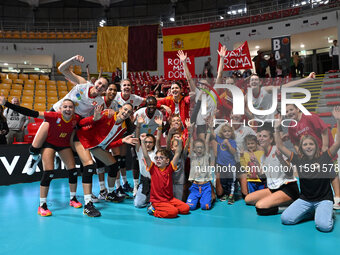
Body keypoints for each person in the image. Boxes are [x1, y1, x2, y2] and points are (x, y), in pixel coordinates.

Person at [27, 55, 108, 175]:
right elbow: (62, 69)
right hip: (56, 112)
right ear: (95, 81)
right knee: (35, 146)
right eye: (99, 83)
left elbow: (93, 120)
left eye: (103, 87)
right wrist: (73, 59)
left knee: (64, 143)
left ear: (104, 90)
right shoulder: (83, 84)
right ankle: (33, 158)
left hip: (72, 121)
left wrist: (95, 119)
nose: (100, 87)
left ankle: (56, 156)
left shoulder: (100, 102)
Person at [0, 97, 82, 216]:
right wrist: (7, 104)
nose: (68, 109)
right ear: (60, 109)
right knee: (49, 173)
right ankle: (42, 205)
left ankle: (73, 199)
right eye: (65, 107)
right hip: (49, 144)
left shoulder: (76, 119)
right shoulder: (54, 116)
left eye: (70, 107)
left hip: (63, 145)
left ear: (74, 109)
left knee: (73, 171)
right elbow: (30, 112)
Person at [275, 108, 340, 232]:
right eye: (305, 144)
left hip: (323, 199)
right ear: (301, 147)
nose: (308, 147)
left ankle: (326, 211)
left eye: (311, 144)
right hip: (306, 200)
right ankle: (313, 212)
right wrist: (277, 128)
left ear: (316, 146)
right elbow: (280, 146)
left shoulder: (324, 157)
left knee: (324, 226)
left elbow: (338, 143)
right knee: (286, 219)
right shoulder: (298, 159)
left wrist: (338, 119)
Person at [76, 103, 138, 216]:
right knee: (89, 167)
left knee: (114, 165)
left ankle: (109, 194)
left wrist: (123, 141)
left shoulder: (123, 127)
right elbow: (80, 124)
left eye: (129, 112)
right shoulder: (107, 114)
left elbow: (108, 144)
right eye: (125, 109)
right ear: (120, 109)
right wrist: (94, 118)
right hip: (83, 138)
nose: (126, 113)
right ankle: (87, 204)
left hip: (96, 146)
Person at [286, 104, 340, 209]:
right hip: (310, 153)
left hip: (323, 148)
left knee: (331, 171)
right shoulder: (291, 126)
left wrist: (324, 147)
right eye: (287, 111)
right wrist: (300, 153)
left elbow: (324, 130)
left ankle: (338, 197)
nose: (289, 113)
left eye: (291, 109)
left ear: (297, 109)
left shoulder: (309, 116)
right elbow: (295, 143)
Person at [244, 125, 299, 215]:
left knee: (260, 206)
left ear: (271, 140)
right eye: (260, 136)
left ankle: (291, 206)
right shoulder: (263, 157)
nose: (261, 138)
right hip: (274, 189)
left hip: (288, 189)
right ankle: (276, 200)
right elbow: (263, 178)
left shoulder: (279, 150)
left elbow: (289, 173)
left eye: (265, 136)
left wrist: (281, 159)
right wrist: (257, 164)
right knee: (248, 199)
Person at [141, 136, 190, 218]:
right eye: (156, 158)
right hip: (158, 201)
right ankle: (153, 211)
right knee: (173, 212)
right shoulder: (153, 168)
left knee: (186, 208)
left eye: (161, 158)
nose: (158, 159)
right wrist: (142, 142)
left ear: (167, 161)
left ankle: (168, 208)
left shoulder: (170, 168)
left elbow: (177, 153)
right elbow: (146, 156)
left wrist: (179, 141)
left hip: (170, 200)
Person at [245, 72, 315, 123]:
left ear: (260, 83)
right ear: (249, 83)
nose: (254, 82)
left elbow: (286, 86)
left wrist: (307, 79)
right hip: (261, 124)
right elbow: (246, 112)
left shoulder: (267, 90)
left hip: (274, 122)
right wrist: (250, 115)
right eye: (252, 80)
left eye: (256, 80)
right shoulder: (247, 96)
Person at [133, 114, 162, 208]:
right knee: (138, 204)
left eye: (150, 142)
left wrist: (160, 126)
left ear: (153, 144)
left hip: (155, 181)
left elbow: (158, 139)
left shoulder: (156, 151)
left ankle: (151, 198)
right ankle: (146, 196)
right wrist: (138, 126)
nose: (148, 144)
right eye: (146, 142)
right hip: (144, 181)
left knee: (156, 205)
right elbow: (137, 138)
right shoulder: (140, 150)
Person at [209, 122, 237, 204]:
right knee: (223, 181)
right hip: (221, 165)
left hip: (230, 165)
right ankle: (226, 194)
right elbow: (213, 134)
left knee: (231, 181)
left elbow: (233, 152)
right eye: (225, 131)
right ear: (222, 133)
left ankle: (231, 195)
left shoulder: (232, 141)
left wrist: (228, 143)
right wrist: (210, 127)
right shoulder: (219, 139)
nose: (227, 133)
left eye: (229, 131)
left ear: (231, 132)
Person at [186, 126, 213, 210]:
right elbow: (190, 142)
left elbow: (207, 141)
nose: (199, 149)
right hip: (195, 187)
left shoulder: (206, 156)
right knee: (190, 207)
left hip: (205, 186)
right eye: (197, 147)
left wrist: (209, 128)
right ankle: (198, 199)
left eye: (201, 147)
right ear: (194, 149)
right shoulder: (192, 156)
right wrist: (190, 133)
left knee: (205, 207)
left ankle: (208, 197)